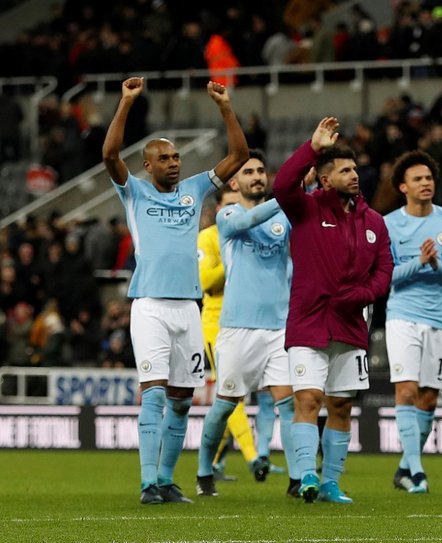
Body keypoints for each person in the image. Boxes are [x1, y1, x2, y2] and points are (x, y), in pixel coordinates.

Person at [102, 76, 249, 505]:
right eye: (164, 157)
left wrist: (224, 107)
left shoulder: (195, 189)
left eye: (176, 156)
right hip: (148, 305)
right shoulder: (134, 192)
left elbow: (239, 155)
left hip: (188, 308)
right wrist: (126, 102)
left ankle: (166, 480)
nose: (173, 162)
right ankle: (148, 482)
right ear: (147, 165)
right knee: (154, 391)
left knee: (183, 399)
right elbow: (109, 153)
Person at [274, 117, 393, 504]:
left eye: (355, 168)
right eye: (344, 169)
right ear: (325, 179)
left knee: (341, 405)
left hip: (351, 325)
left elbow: (384, 270)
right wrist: (313, 147)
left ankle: (331, 483)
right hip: (309, 322)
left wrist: (362, 296)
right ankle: (307, 474)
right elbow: (281, 185)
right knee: (307, 400)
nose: (354, 174)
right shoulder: (304, 209)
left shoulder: (373, 222)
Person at [195, 149, 302, 499]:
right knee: (225, 404)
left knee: (288, 403)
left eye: (261, 170)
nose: (257, 176)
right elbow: (244, 223)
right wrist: (286, 198)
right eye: (249, 172)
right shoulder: (227, 215)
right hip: (238, 328)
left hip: (279, 327)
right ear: (234, 181)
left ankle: (298, 479)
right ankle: (204, 470)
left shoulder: (283, 219)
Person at [385, 150, 442, 494]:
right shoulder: (390, 224)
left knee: (429, 399)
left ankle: (405, 467)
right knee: (406, 391)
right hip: (402, 317)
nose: (426, 183)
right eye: (418, 179)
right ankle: (418, 471)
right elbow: (384, 276)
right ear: (403, 187)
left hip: (439, 318)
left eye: (429, 178)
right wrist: (419, 263)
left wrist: (440, 266)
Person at [197, 183, 264, 482]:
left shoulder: (254, 234)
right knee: (230, 394)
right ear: (218, 210)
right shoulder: (208, 238)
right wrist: (232, 256)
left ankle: (211, 462)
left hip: (251, 321)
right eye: (229, 206)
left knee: (244, 396)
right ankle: (253, 457)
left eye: (239, 206)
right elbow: (206, 282)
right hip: (217, 323)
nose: (235, 212)